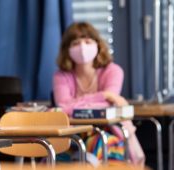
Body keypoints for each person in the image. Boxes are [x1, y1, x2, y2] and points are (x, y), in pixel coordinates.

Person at [53, 22, 144, 165]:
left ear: (98, 44)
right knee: (57, 152)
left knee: (95, 144)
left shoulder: (113, 71)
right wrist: (103, 95)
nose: (82, 47)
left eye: (87, 41)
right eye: (76, 43)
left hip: (111, 133)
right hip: (73, 133)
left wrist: (75, 104)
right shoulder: (61, 76)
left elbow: (107, 106)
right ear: (67, 49)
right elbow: (63, 106)